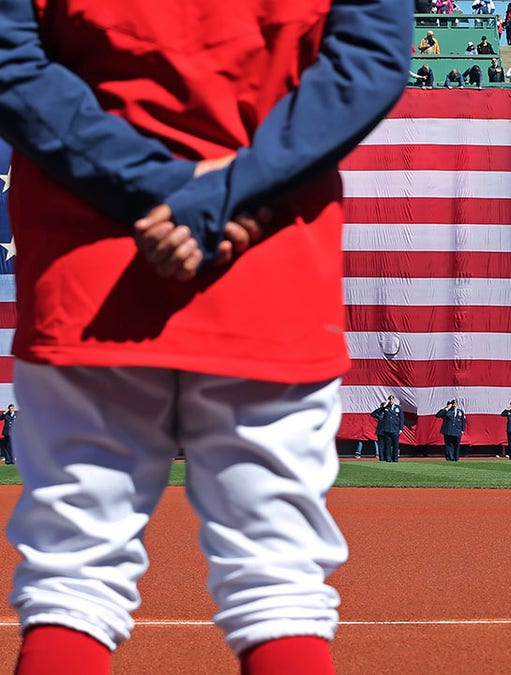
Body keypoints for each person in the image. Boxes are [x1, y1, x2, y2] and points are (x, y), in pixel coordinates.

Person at [0, 0, 411, 672]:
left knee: (71, 581)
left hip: (93, 266)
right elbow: (369, 61)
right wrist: (227, 194)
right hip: (266, 262)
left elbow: (12, 63)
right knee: (279, 586)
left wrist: (163, 189)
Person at [372, 395, 405, 462]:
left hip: (395, 429)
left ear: (394, 400)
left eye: (392, 399)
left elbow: (401, 418)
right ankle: (388, 458)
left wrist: (401, 428)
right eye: (390, 399)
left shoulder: (398, 407)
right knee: (388, 444)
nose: (391, 401)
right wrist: (384, 406)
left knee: (396, 444)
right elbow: (374, 413)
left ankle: (395, 458)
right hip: (387, 429)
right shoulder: (385, 407)